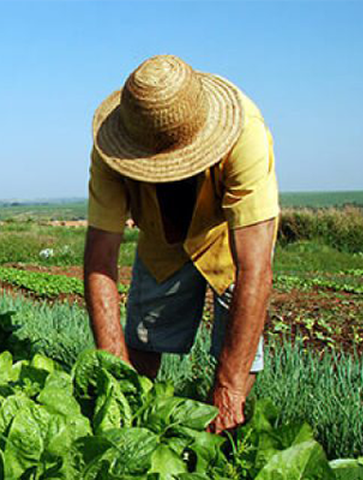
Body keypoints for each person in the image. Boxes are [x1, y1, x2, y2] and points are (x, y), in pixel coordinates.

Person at [84, 55, 279, 434]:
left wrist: (228, 388)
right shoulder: (111, 149)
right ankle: (136, 422)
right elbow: (100, 258)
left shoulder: (245, 133)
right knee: (143, 340)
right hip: (160, 235)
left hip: (226, 235)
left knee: (235, 373)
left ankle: (224, 434)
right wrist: (114, 376)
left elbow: (255, 268)